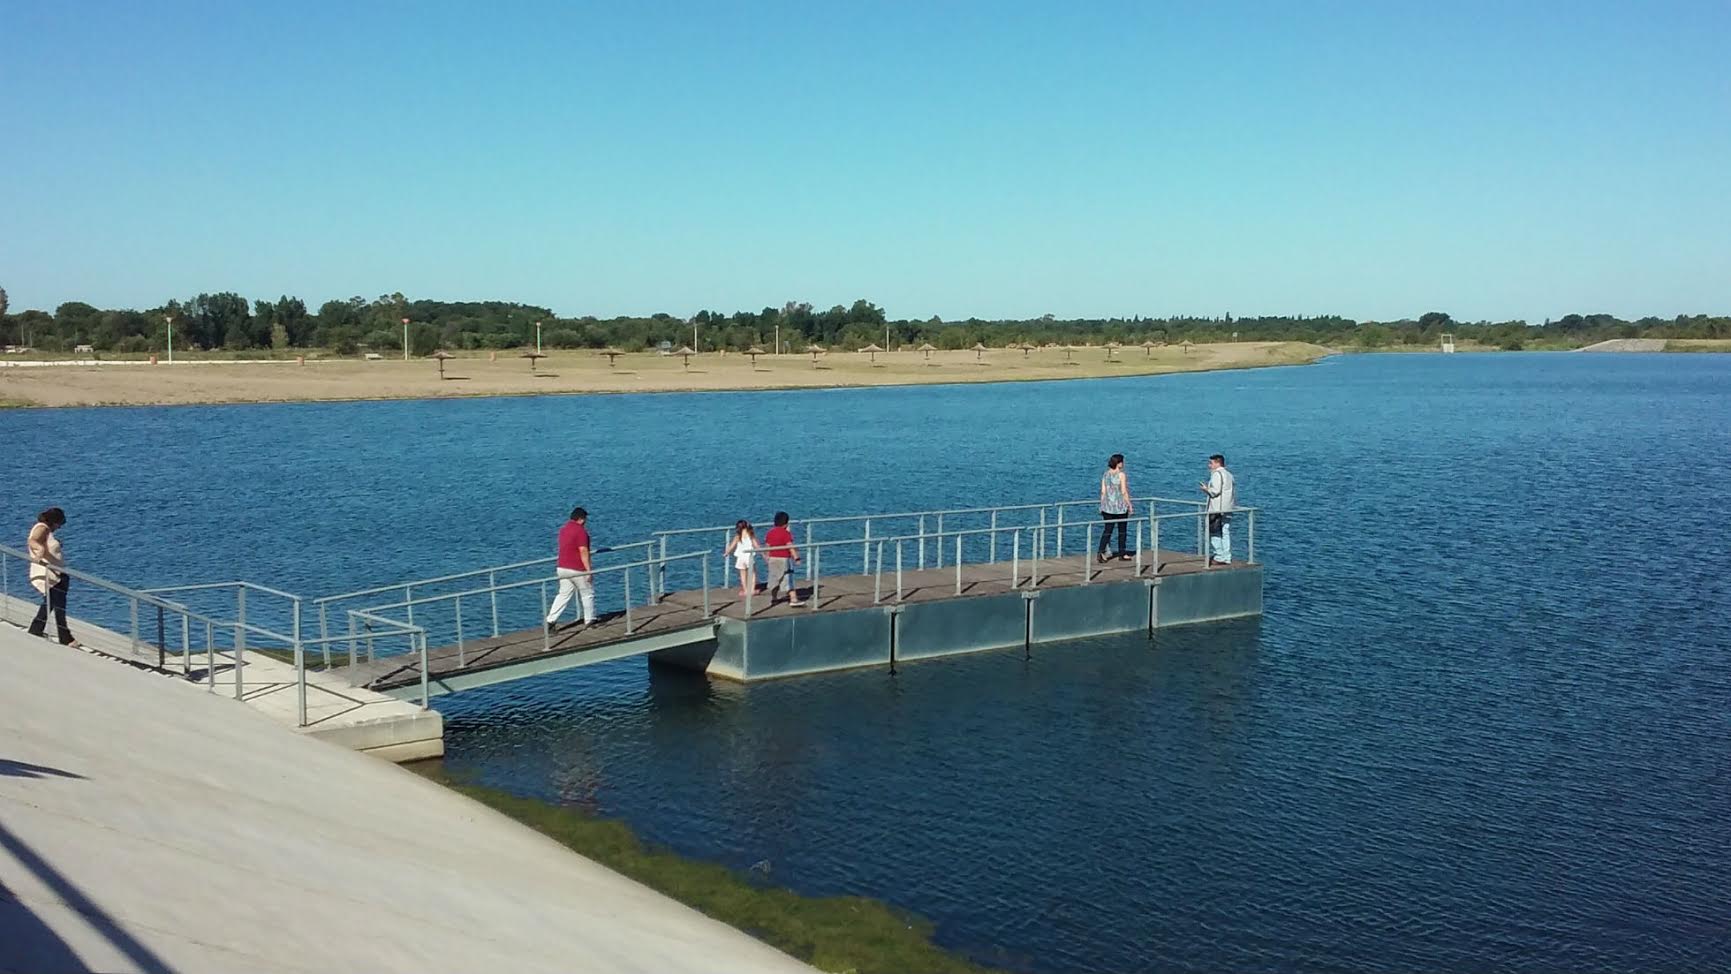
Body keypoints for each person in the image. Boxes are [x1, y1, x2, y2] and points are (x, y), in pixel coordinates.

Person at [26, 507, 78, 647]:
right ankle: (65, 637)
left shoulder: (48, 532)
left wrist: (56, 545)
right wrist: (40, 551)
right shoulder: (42, 527)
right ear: (54, 521)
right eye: (59, 524)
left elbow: (46, 544)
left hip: (57, 574)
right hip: (50, 574)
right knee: (57, 606)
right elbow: (33, 541)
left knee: (52, 605)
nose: (59, 527)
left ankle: (37, 629)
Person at [545, 507, 595, 631]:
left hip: (562, 567)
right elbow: (583, 550)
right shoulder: (580, 531)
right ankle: (590, 620)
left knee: (563, 594)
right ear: (581, 519)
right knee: (587, 593)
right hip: (577, 569)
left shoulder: (563, 530)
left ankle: (550, 620)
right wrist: (588, 570)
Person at [1199, 454, 1237, 566]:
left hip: (1217, 509)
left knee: (1214, 532)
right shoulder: (1230, 475)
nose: (1209, 465)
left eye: (1211, 463)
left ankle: (1219, 556)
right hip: (1228, 508)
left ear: (1217, 463)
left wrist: (1206, 489)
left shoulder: (1217, 474)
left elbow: (1214, 491)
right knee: (1225, 532)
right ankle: (1227, 556)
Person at [762, 512, 804, 606]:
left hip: (772, 559)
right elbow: (790, 546)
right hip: (784, 559)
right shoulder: (786, 534)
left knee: (774, 579)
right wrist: (796, 557)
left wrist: (766, 557)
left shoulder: (770, 533)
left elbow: (767, 546)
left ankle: (774, 598)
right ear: (786, 523)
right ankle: (793, 599)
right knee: (788, 579)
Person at [1097, 453, 1132, 563]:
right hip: (1119, 507)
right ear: (1119, 463)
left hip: (1107, 507)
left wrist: (1102, 504)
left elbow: (1103, 491)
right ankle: (1122, 553)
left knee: (1108, 530)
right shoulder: (1121, 475)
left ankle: (1101, 552)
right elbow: (1123, 491)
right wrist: (1129, 505)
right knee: (1122, 531)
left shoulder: (1106, 474)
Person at [724, 520, 758, 597]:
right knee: (753, 573)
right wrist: (762, 553)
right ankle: (752, 590)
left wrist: (727, 553)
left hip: (740, 557)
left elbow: (732, 546)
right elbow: (756, 545)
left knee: (742, 574)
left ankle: (746, 590)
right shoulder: (751, 535)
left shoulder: (737, 536)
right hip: (749, 556)